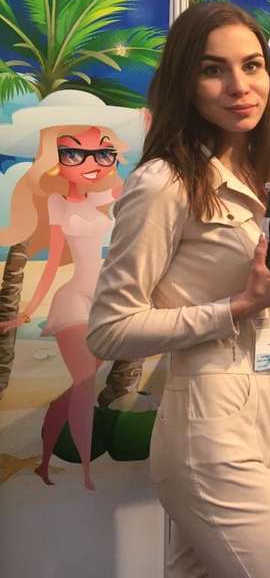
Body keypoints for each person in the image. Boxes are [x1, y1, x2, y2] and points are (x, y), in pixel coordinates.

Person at [87, 2, 270, 578]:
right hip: (209, 428)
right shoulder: (164, 183)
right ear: (184, 84)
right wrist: (239, 305)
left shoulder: (264, 178)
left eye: (252, 65)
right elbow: (109, 330)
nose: (240, 86)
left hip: (260, 412)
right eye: (214, 69)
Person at [0, 90, 140, 490]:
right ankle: (86, 471)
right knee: (83, 384)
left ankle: (45, 459)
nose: (92, 163)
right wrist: (29, 311)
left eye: (103, 154)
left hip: (105, 300)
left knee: (76, 388)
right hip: (74, 300)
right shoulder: (57, 205)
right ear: (54, 157)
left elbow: (133, 186)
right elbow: (51, 265)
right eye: (73, 153)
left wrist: (131, 139)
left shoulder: (110, 195)